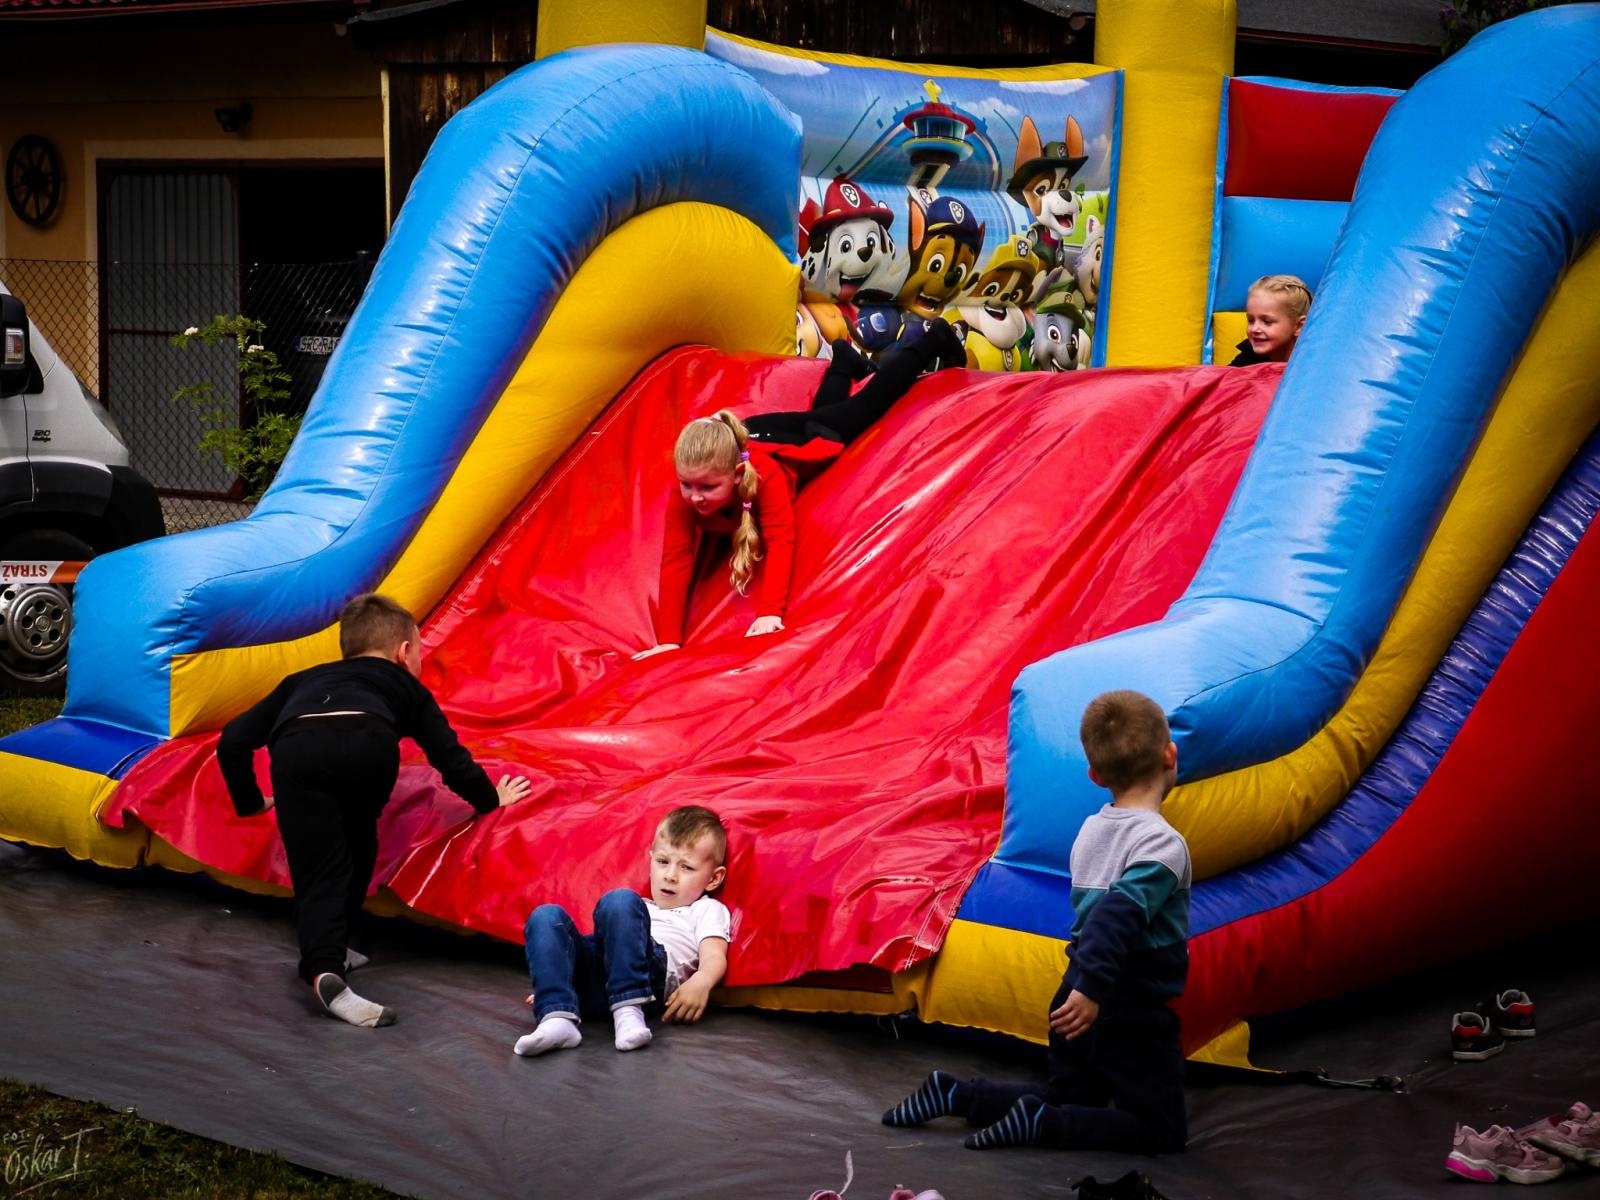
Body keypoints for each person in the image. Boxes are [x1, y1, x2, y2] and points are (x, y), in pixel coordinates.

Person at [882, 689, 1191, 1153]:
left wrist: (1082, 987)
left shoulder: (1091, 831)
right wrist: (1094, 992)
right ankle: (1044, 1126)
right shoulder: (1164, 845)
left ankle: (959, 1095)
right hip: (1124, 1004)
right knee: (1160, 1131)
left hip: (1075, 990)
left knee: (1070, 1095)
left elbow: (1094, 917)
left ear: (1095, 774)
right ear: (1171, 754)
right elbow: (1115, 918)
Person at [217, 592, 532, 1028]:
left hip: (297, 751)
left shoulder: (304, 680)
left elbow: (233, 739)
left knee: (321, 867)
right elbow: (449, 757)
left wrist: (250, 801)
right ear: (404, 653)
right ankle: (325, 969)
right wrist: (489, 799)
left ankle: (329, 951)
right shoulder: (406, 687)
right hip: (368, 744)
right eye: (419, 651)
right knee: (357, 845)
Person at [634, 319, 966, 658]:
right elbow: (675, 559)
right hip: (755, 433)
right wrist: (668, 640)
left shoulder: (762, 474)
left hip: (801, 438)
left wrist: (769, 613)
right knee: (827, 412)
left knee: (860, 410)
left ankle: (931, 341)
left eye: (706, 487)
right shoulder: (689, 484)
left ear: (735, 475)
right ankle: (844, 362)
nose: (695, 496)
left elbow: (780, 538)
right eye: (687, 485)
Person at [515, 805, 732, 1056]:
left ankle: (628, 1011)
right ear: (651, 859)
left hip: (649, 979)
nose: (670, 875)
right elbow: (598, 946)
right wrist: (557, 977)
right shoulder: (642, 906)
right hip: (602, 979)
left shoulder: (705, 909)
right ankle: (556, 1017)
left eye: (687, 868)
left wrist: (701, 982)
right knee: (545, 916)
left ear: (714, 879)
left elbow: (715, 955)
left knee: (620, 901)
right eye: (662, 862)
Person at [1230, 274, 1311, 366]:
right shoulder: (1247, 358)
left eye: (1267, 322)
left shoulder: (1310, 363)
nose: (1255, 329)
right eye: (1251, 321)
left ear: (1299, 326)